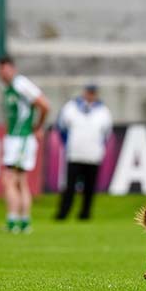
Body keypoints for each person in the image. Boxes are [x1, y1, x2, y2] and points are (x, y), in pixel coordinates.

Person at [0, 56, 50, 233]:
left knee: (9, 180)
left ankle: (13, 220)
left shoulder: (21, 84)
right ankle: (23, 222)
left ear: (12, 68)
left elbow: (44, 104)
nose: (2, 73)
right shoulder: (9, 88)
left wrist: (38, 126)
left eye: (5, 69)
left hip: (21, 139)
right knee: (19, 181)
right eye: (0, 70)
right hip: (16, 138)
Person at [55, 84, 112, 221]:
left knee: (89, 187)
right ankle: (63, 213)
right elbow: (61, 127)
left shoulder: (103, 111)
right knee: (69, 186)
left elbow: (106, 133)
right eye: (89, 92)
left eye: (93, 93)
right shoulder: (71, 107)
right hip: (74, 154)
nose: (91, 95)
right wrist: (69, 144)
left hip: (93, 155)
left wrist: (98, 148)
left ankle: (85, 214)